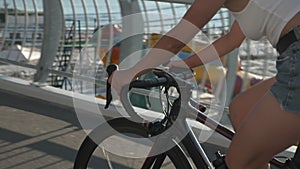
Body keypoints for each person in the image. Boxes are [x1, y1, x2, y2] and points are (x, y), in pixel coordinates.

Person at [109, 0, 300, 168]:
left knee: (237, 162)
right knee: (241, 109)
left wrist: (130, 74)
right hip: (291, 59)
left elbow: (175, 40)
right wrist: (186, 63)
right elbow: (231, 40)